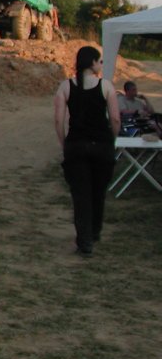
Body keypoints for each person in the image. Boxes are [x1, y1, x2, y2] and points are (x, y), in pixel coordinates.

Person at [53, 46, 120, 257]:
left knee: (80, 195)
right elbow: (115, 119)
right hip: (101, 145)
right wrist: (112, 140)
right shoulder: (106, 86)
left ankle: (84, 242)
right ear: (92, 63)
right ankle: (95, 232)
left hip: (76, 146)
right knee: (98, 193)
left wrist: (64, 143)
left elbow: (59, 120)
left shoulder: (66, 86)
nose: (101, 65)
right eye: (100, 61)